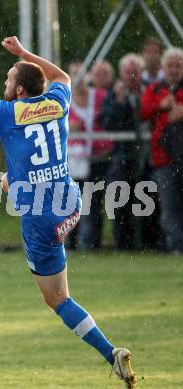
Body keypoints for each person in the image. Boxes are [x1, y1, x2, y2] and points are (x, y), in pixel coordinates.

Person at [0, 36, 136, 388]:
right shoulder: (57, 102)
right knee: (12, 181)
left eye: (10, 78)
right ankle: (17, 184)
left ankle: (110, 351)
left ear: (21, 89)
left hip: (41, 216)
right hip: (70, 203)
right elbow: (64, 78)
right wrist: (25, 54)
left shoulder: (5, 112)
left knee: (57, 299)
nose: (5, 83)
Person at [99, 53, 145, 250]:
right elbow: (108, 124)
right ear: (121, 74)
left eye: (135, 72)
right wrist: (118, 102)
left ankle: (144, 243)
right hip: (121, 156)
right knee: (118, 200)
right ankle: (122, 244)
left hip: (145, 156)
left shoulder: (148, 92)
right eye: (128, 72)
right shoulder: (112, 95)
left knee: (145, 202)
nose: (132, 76)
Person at [141, 47, 183, 254]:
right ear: (163, 68)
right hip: (163, 157)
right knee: (170, 206)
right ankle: (176, 247)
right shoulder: (155, 90)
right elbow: (143, 111)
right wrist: (161, 106)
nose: (174, 69)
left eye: (178, 65)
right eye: (170, 65)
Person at [67, 62, 113, 250]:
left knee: (93, 204)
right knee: (74, 204)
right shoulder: (66, 101)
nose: (78, 79)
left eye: (81, 74)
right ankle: (75, 243)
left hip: (101, 157)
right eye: (74, 74)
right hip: (75, 160)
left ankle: (91, 244)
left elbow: (111, 118)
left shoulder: (100, 97)